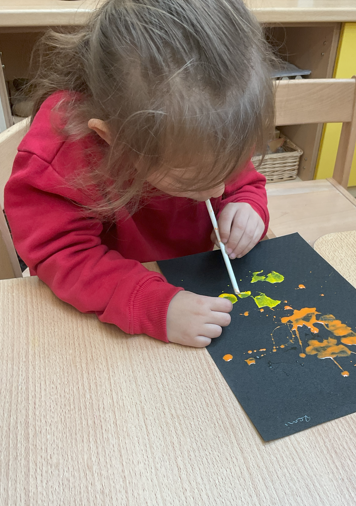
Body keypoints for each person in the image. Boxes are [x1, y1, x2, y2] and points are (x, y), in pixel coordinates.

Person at [5, 0, 275, 347]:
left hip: (190, 276)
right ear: (112, 138)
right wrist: (152, 303)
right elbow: (62, 256)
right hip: (106, 310)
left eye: (226, 168)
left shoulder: (214, 126)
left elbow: (242, 181)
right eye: (192, 179)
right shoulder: (62, 154)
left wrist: (248, 204)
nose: (218, 190)